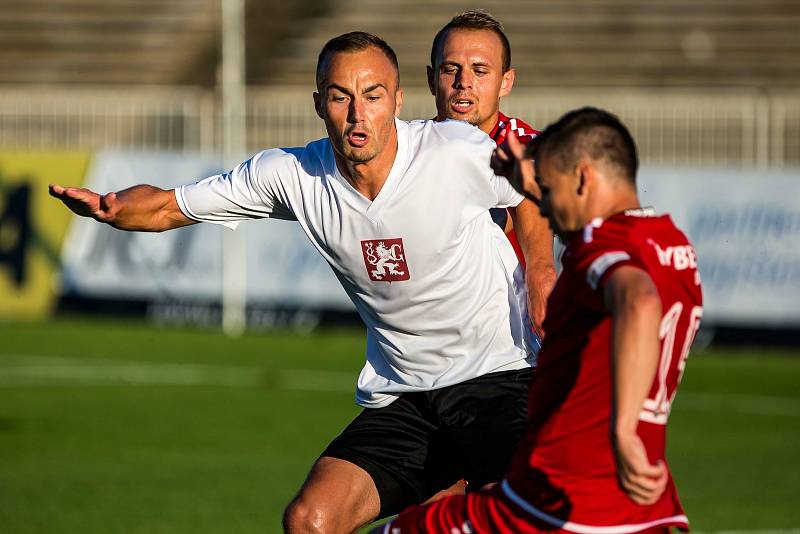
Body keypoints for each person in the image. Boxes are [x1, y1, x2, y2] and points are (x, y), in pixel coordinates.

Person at [50, 32, 548, 534]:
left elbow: (532, 191)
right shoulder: (293, 174)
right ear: (318, 103)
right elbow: (169, 205)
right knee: (310, 519)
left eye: (373, 95)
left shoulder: (453, 149)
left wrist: (543, 271)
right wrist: (111, 208)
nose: (358, 114)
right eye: (340, 96)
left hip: (498, 378)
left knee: (518, 515)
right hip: (405, 397)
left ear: (397, 100)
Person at [375, 107, 704, 533]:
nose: (546, 209)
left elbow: (637, 299)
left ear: (583, 178)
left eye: (551, 189)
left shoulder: (606, 256)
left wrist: (623, 432)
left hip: (560, 498)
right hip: (639, 501)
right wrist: (530, 182)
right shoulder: (669, 243)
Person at [429, 10, 555, 339]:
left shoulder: (526, 147)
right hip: (427, 338)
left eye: (480, 70)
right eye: (450, 69)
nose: (464, 82)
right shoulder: (414, 147)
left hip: (508, 343)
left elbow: (492, 219)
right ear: (432, 79)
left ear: (506, 81)